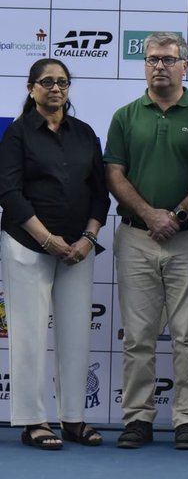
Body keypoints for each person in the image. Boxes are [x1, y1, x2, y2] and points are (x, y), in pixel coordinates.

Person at [104, 32, 188, 450]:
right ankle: (137, 419)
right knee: (137, 336)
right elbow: (114, 173)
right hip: (136, 237)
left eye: (169, 59)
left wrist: (179, 214)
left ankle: (187, 420)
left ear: (186, 65)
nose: (159, 66)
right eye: (152, 59)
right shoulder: (126, 116)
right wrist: (151, 214)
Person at [0, 58, 110, 449]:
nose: (56, 88)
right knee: (28, 335)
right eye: (47, 82)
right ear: (31, 88)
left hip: (78, 250)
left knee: (77, 335)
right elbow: (9, 194)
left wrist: (87, 238)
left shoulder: (84, 133)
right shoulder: (17, 134)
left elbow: (100, 193)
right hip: (27, 245)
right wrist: (47, 239)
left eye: (62, 82)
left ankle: (74, 419)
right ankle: (33, 421)